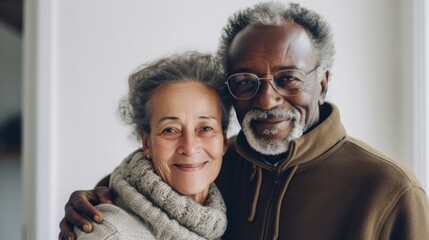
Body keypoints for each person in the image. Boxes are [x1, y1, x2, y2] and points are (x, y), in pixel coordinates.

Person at [59, 2, 429, 240]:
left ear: (323, 81)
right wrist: (88, 200)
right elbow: (139, 187)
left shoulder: (388, 189)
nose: (267, 99)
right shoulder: (210, 162)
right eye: (246, 82)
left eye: (288, 78)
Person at [70, 52, 231, 239]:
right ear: (146, 143)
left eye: (205, 128)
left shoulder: (227, 205)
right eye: (170, 130)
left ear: (224, 141)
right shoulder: (107, 233)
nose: (189, 147)